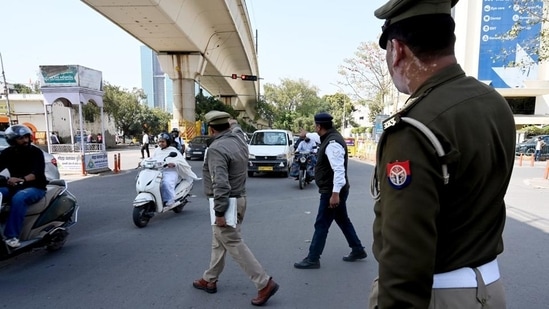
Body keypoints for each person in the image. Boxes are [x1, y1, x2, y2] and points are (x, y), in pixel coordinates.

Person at [368, 1, 516, 308]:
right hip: (489, 289)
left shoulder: (414, 128)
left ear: (397, 50)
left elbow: (405, 255)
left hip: (437, 295)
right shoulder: (494, 104)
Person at [193, 110, 279, 306]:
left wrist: (219, 212)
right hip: (239, 198)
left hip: (226, 202)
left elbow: (221, 184)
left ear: (211, 129)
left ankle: (264, 283)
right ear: (228, 126)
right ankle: (210, 278)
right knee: (219, 241)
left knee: (233, 243)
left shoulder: (217, 149)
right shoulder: (238, 139)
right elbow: (237, 126)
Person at [294, 112, 367, 269]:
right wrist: (306, 134)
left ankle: (313, 258)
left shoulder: (332, 143)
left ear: (319, 126)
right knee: (342, 220)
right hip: (334, 189)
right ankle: (358, 249)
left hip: (332, 191)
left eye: (316, 126)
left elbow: (339, 170)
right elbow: (314, 136)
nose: (315, 129)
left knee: (321, 224)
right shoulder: (329, 136)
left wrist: (334, 195)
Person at [0, 125, 48, 248]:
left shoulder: (35, 152)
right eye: (21, 138)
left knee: (19, 198)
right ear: (12, 140)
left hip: (35, 187)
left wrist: (21, 179)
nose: (25, 140)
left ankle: (12, 237)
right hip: (14, 187)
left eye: (26, 137)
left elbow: (37, 173)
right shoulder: (7, 153)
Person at [151, 132, 198, 208]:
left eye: (162, 142)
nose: (160, 144)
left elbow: (180, 161)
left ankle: (170, 200)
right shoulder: (157, 150)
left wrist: (174, 163)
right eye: (159, 142)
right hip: (158, 171)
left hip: (171, 171)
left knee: (166, 183)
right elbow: (153, 159)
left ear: (167, 142)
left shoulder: (173, 150)